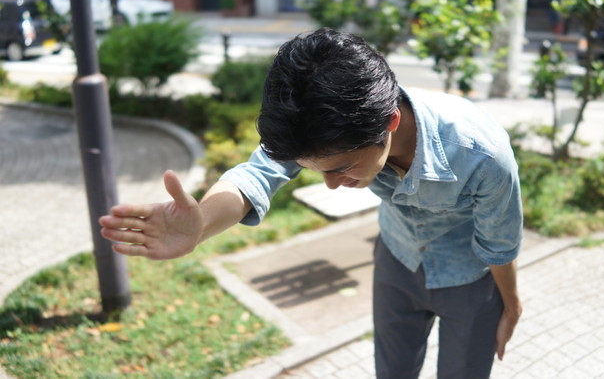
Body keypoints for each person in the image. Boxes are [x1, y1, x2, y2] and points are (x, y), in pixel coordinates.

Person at [100, 28, 523, 378]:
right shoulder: (319, 125)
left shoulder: (481, 154)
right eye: (317, 170)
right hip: (396, 259)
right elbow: (258, 174)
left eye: (343, 168)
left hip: (470, 277)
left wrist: (511, 304)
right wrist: (203, 224)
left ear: (390, 121)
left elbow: (499, 244)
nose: (332, 184)